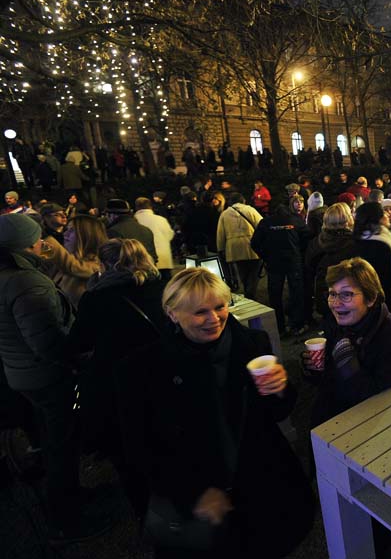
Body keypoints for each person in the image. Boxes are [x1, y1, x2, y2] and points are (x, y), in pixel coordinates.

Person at [116, 269, 313, 558]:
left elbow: (278, 413)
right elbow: (138, 447)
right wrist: (192, 493)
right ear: (172, 314)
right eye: (199, 312)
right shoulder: (142, 369)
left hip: (261, 484)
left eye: (220, 307)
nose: (214, 319)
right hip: (197, 498)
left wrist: (280, 388)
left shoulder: (253, 345)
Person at [0, 214, 109, 544]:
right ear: (24, 245)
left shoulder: (9, 276)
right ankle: (67, 518)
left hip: (21, 373)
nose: (43, 243)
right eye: (37, 239)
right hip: (46, 376)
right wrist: (78, 359)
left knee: (51, 439)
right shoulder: (26, 283)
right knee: (62, 444)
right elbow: (48, 342)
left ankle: (69, 497)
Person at [65, 238, 166, 512]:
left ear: (105, 264)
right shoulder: (163, 285)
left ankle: (148, 513)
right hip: (165, 374)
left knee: (130, 453)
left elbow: (79, 343)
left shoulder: (96, 298)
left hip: (119, 384)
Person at [307, 258, 391, 426]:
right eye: (332, 294)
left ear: (371, 298)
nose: (335, 303)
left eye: (346, 294)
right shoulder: (339, 323)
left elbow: (383, 406)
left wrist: (351, 371)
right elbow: (327, 381)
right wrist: (312, 369)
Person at [251, 197, 312, 337]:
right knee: (296, 292)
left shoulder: (265, 223)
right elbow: (307, 237)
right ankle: (297, 325)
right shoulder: (296, 220)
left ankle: (280, 327)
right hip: (293, 261)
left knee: (275, 295)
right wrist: (299, 252)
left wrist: (265, 256)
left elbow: (254, 243)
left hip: (274, 263)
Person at [351, 202, 391, 333]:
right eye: (384, 212)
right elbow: (388, 283)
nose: (388, 215)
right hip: (384, 307)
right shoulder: (381, 245)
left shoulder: (361, 241)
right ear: (376, 218)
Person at [42, 213, 107, 307]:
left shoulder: (99, 265)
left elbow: (72, 266)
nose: (65, 234)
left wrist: (44, 240)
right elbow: (48, 265)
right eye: (66, 229)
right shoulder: (68, 259)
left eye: (72, 230)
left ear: (86, 235)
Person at [305, 202, 356, 317]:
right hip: (349, 300)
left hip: (325, 299)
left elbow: (309, 267)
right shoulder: (354, 244)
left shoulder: (316, 243)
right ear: (348, 219)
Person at [217, 193, 263, 299]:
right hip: (252, 246)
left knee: (242, 272)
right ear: (243, 201)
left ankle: (247, 290)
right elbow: (261, 225)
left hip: (234, 248)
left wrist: (221, 249)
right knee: (254, 271)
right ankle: (250, 292)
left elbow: (220, 234)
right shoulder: (250, 210)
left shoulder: (224, 214)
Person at [135, 197, 175, 281]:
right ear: (150, 207)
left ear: (137, 207)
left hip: (143, 263)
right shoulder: (161, 220)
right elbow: (170, 235)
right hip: (164, 260)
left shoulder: (134, 221)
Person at [105, 199, 158, 263]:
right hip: (147, 270)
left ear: (111, 215)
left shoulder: (113, 231)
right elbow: (153, 257)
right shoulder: (146, 230)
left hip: (127, 271)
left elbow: (113, 259)